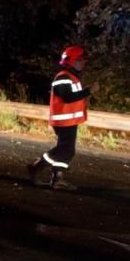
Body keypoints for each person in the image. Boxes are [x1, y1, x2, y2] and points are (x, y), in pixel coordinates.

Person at [27, 46, 90, 190]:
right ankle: (37, 167)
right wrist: (88, 92)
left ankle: (57, 179)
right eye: (80, 60)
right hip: (63, 121)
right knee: (65, 150)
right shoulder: (63, 77)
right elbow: (67, 97)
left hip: (69, 120)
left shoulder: (70, 77)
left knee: (66, 150)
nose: (83, 63)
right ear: (72, 61)